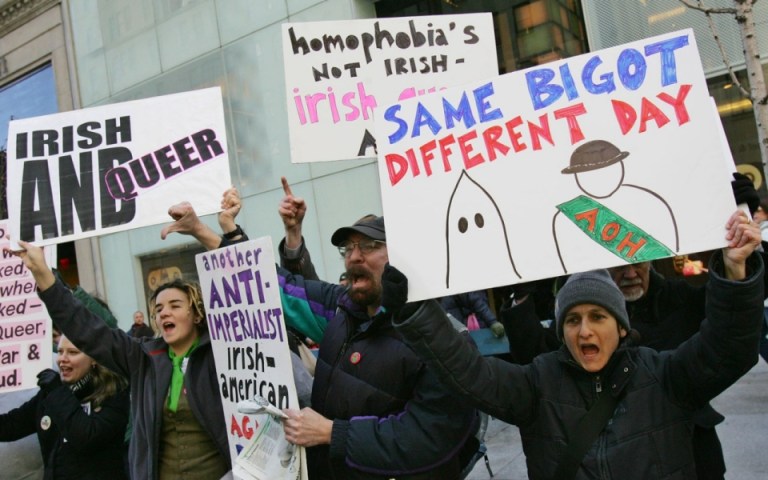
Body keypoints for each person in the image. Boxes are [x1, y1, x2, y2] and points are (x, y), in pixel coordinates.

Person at [391, 209, 763, 479]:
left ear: (621, 328)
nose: (584, 331)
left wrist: (735, 271)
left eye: (598, 317)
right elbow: (469, 373)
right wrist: (415, 309)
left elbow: (728, 348)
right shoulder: (537, 385)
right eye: (573, 320)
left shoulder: (664, 377)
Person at [164, 182, 480, 480]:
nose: (354, 256)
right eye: (348, 247)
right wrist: (201, 229)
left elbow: (431, 435)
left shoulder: (445, 340)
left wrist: (331, 432)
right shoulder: (340, 310)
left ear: (401, 255)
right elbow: (268, 283)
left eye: (369, 246)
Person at [9, 247, 234, 480]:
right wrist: (43, 275)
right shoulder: (143, 359)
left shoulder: (221, 357)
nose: (164, 312)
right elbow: (88, 329)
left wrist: (226, 234)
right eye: (158, 309)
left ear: (197, 314)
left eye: (175, 306)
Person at [0, 335, 130, 480]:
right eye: (60, 351)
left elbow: (86, 437)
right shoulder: (51, 393)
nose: (62, 358)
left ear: (93, 358)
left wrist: (57, 392)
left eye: (72, 352)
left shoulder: (114, 392)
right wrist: (56, 391)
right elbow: (11, 425)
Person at [440, 290, 505, 337]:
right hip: (468, 331)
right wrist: (492, 322)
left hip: (465, 332)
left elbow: (477, 303)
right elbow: (477, 303)